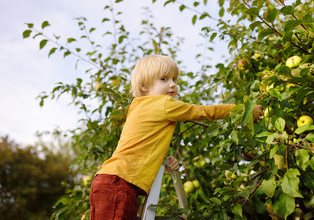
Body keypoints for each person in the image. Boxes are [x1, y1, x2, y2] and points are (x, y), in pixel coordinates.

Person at [89, 54, 263, 220]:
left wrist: (160, 163)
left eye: (174, 79)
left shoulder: (137, 106)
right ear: (144, 85)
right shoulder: (164, 104)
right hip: (119, 183)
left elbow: (140, 144)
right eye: (164, 79)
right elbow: (205, 112)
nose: (172, 84)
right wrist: (243, 111)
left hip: (107, 180)